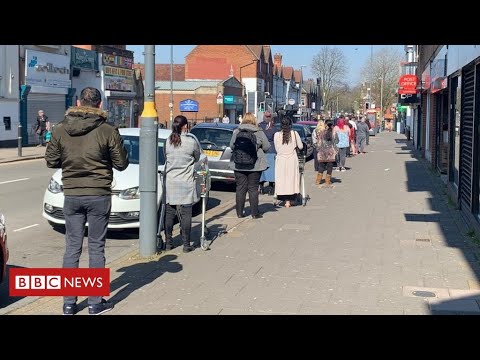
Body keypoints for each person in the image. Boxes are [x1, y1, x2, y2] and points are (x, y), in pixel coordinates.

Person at [45, 87, 129, 315]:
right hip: (99, 194)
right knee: (96, 247)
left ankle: (69, 304)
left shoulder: (61, 129)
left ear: (79, 104)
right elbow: (121, 163)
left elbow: (51, 161)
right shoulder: (108, 130)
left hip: (72, 194)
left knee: (72, 247)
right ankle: (94, 303)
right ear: (100, 105)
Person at [164, 115, 201, 253]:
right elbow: (197, 157)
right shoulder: (191, 142)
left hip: (171, 181)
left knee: (169, 213)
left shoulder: (168, 141)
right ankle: (186, 244)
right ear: (185, 126)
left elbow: (165, 157)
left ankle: (168, 242)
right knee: (186, 214)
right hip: (186, 182)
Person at [229, 112, 270, 218]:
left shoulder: (237, 131)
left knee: (240, 188)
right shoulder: (259, 132)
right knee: (253, 188)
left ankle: (239, 212)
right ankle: (254, 213)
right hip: (255, 165)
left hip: (238, 164)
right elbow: (266, 147)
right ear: (254, 120)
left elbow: (231, 146)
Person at [274, 116, 303, 208]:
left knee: (282, 179)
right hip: (292, 159)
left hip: (281, 159)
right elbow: (301, 146)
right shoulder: (294, 134)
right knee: (291, 179)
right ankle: (290, 200)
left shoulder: (277, 135)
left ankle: (284, 199)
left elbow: (276, 148)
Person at [314, 120, 337, 187]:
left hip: (322, 151)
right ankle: (327, 181)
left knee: (321, 166)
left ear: (325, 125)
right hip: (330, 152)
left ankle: (318, 181)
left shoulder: (321, 132)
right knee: (330, 166)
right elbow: (336, 142)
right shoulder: (333, 133)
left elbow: (318, 142)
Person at [258, 111, 278, 194]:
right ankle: (270, 188)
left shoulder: (259, 126)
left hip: (262, 150)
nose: (267, 118)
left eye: (268, 116)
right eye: (267, 116)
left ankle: (262, 188)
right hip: (270, 150)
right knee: (270, 169)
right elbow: (275, 138)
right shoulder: (273, 127)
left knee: (262, 169)